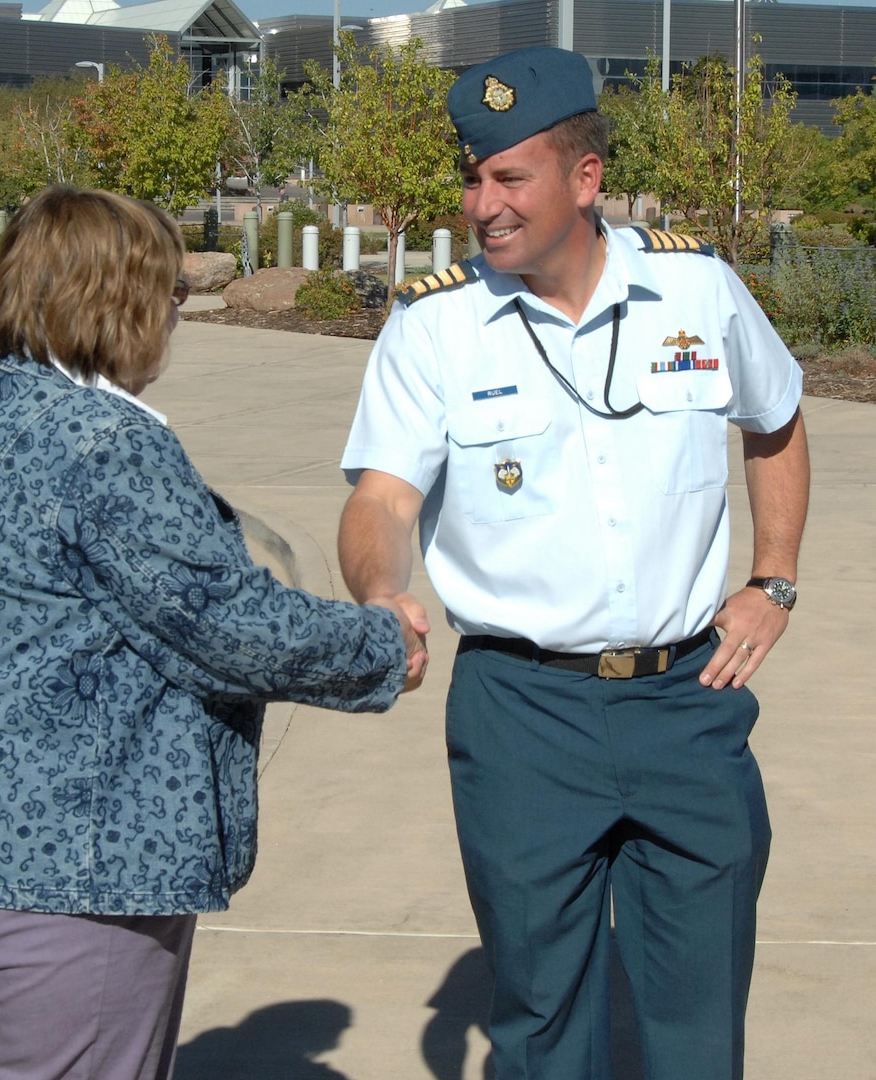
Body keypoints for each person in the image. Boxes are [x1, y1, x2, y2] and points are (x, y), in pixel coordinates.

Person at [0, 184, 424, 1080]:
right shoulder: (103, 445)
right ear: (114, 301)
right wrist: (384, 642)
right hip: (68, 881)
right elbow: (224, 624)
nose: (176, 314)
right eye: (169, 293)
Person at [337, 47, 809, 1080]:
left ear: (585, 178)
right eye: (473, 176)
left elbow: (775, 420)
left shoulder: (696, 287)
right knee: (543, 1023)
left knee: (698, 1026)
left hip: (688, 700)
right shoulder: (436, 325)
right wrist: (382, 591)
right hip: (522, 714)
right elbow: (380, 497)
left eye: (510, 177)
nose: (483, 204)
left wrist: (772, 581)